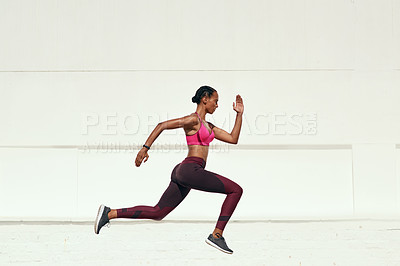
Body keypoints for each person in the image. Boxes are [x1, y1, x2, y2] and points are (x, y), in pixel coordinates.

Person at [94, 85, 244, 254]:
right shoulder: (193, 120)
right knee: (235, 190)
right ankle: (217, 235)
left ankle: (109, 213)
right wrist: (145, 148)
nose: (217, 105)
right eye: (215, 101)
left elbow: (233, 138)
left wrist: (239, 114)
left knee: (158, 212)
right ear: (205, 98)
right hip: (190, 169)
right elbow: (162, 125)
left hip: (185, 171)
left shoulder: (209, 126)